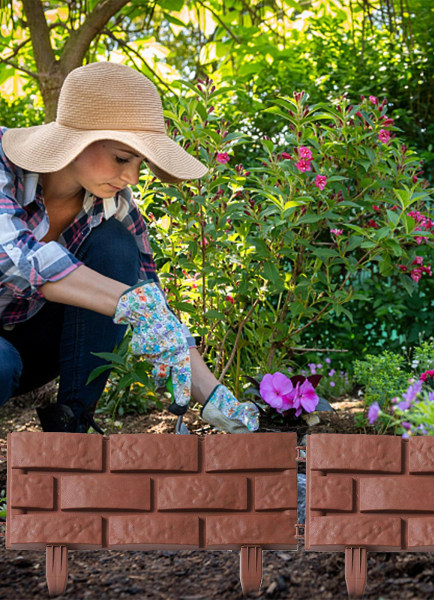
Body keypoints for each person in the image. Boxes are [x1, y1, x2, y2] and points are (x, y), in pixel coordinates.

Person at [0, 61, 259, 434]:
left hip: (28, 346)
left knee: (116, 246)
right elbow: (22, 260)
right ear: (75, 142)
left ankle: (71, 431)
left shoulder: (116, 207)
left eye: (140, 163)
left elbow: (155, 309)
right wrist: (133, 303)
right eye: (122, 158)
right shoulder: (4, 165)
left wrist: (215, 396)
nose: (131, 177)